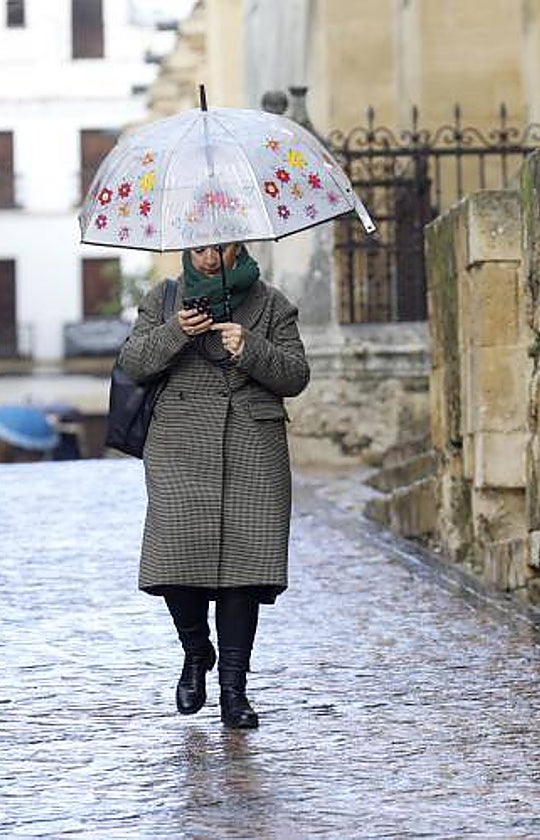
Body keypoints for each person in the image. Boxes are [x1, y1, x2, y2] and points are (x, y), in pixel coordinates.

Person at [118, 241, 310, 729]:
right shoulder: (163, 299)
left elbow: (296, 376)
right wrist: (174, 332)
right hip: (179, 447)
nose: (208, 259)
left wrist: (251, 348)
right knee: (174, 563)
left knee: (245, 572)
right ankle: (196, 651)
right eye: (200, 249)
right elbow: (134, 363)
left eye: (219, 249)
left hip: (252, 446)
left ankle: (233, 689)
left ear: (238, 249)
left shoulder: (272, 303)